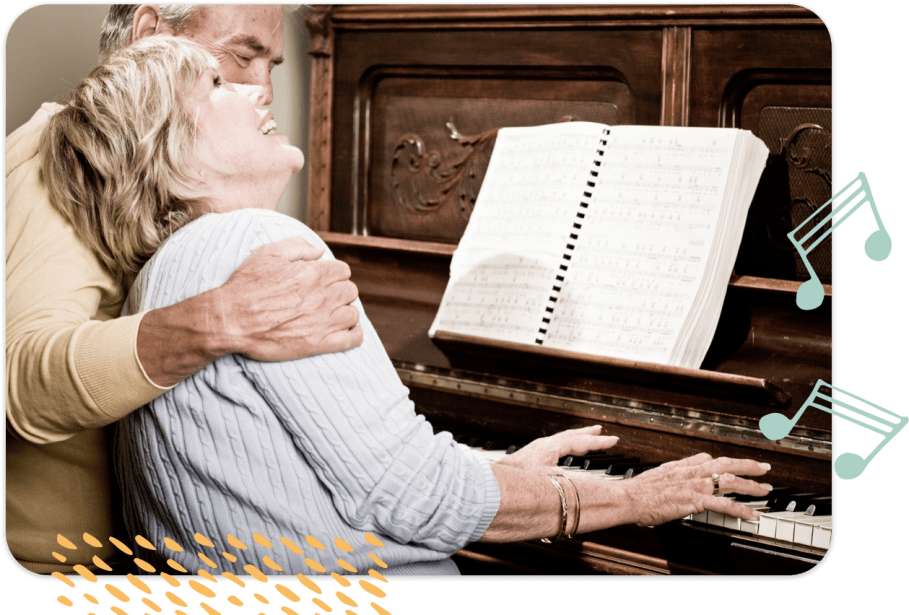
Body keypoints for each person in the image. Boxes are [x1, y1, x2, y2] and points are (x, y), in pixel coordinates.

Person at [40, 35, 774, 577]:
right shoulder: (261, 247)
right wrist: (631, 498)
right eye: (216, 85)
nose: (257, 90)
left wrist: (506, 468)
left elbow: (336, 468)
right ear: (166, 150)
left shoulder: (171, 268)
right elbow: (412, 500)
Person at [4, 4, 362, 575]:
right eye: (240, 58)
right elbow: (20, 380)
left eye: (271, 64)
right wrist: (219, 319)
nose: (263, 89)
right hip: (62, 576)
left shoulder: (169, 187)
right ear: (149, 33)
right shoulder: (64, 152)